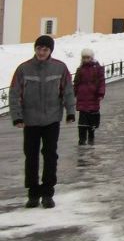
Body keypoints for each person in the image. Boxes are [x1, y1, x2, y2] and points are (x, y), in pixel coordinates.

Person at [9, 35, 75, 208]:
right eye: (39, 48)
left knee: (50, 155)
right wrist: (17, 116)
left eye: (45, 49)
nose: (41, 52)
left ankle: (47, 192)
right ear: (35, 49)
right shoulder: (24, 69)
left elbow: (67, 90)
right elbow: (14, 93)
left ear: (50, 51)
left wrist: (70, 112)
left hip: (52, 119)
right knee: (31, 157)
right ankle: (32, 192)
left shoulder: (60, 67)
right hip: (30, 121)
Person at [73, 48, 106, 145]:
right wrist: (73, 93)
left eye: (88, 57)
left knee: (92, 119)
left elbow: (101, 82)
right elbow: (76, 83)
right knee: (82, 121)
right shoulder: (80, 69)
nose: (86, 59)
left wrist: (100, 93)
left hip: (93, 97)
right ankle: (82, 139)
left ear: (91, 58)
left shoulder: (97, 69)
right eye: (84, 57)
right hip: (82, 97)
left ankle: (91, 135)